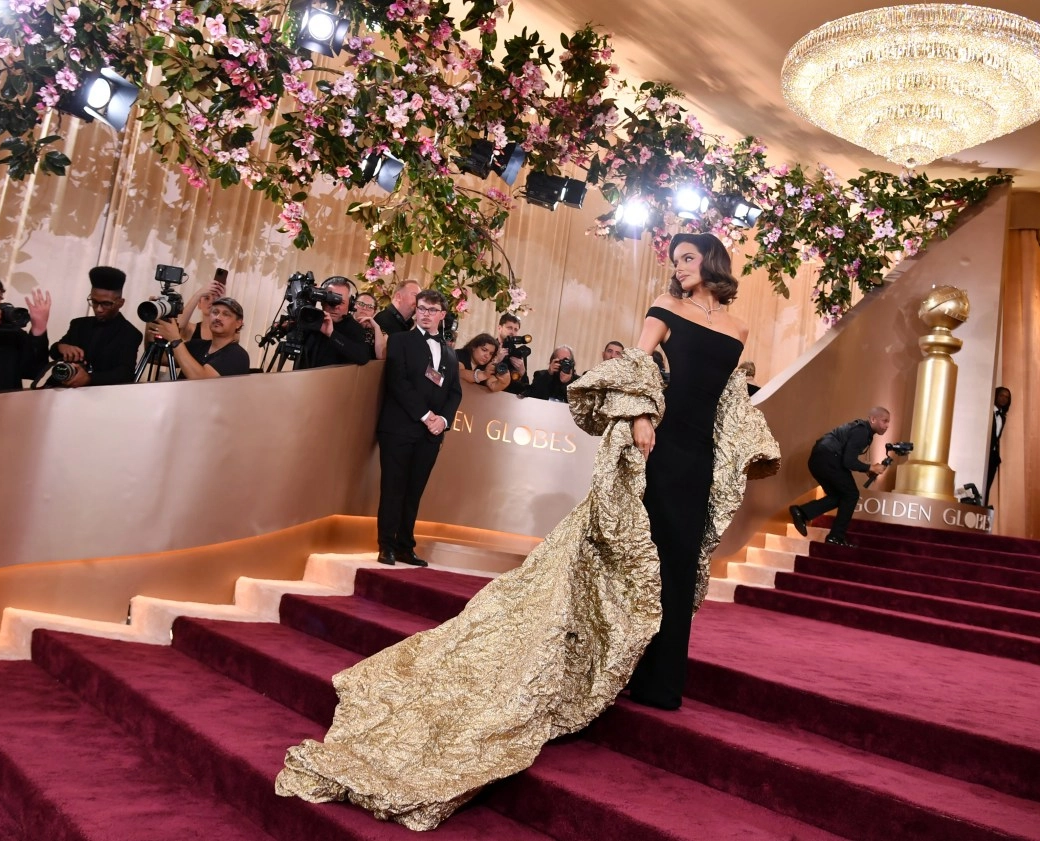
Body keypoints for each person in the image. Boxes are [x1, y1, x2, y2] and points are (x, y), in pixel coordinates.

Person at [276, 233, 779, 829]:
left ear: (712, 263)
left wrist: (744, 450)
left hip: (699, 456)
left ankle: (660, 681)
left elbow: (727, 401)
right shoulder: (663, 311)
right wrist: (642, 415)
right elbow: (637, 366)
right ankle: (601, 662)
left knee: (675, 560)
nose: (680, 268)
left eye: (690, 259)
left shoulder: (741, 327)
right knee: (631, 555)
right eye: (676, 260)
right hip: (657, 443)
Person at [374, 289, 462, 567]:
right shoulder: (400, 341)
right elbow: (398, 383)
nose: (425, 314)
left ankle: (405, 546)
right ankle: (386, 545)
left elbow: (455, 393)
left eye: (431, 310)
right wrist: (426, 416)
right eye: (421, 308)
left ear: (442, 315)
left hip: (430, 435)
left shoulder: (449, 352)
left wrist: (443, 421)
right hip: (399, 429)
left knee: (414, 491)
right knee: (393, 488)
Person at [789, 407, 891, 546]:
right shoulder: (862, 431)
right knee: (851, 494)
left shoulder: (861, 430)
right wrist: (870, 467)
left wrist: (866, 469)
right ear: (873, 419)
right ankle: (836, 536)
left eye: (888, 422)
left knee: (838, 496)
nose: (887, 425)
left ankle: (802, 512)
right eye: (884, 421)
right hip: (828, 458)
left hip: (818, 460)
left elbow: (847, 458)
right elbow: (848, 461)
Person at [48, 266, 142, 387]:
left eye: (106, 304)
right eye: (94, 302)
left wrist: (89, 379)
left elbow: (125, 374)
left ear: (120, 303)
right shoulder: (78, 324)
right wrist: (62, 346)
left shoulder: (130, 333)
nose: (98, 309)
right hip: (63, 392)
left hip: (100, 398)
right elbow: (54, 352)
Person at [152, 296, 249, 378]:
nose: (218, 317)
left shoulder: (238, 355)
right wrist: (153, 316)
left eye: (226, 314)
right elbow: (156, 357)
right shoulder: (197, 345)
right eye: (215, 312)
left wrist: (175, 340)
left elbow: (202, 379)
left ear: (238, 323)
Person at [297, 277, 375, 369]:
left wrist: (332, 334)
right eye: (331, 300)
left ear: (350, 304)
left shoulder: (355, 328)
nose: (335, 307)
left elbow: (362, 358)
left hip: (332, 382)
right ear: (322, 301)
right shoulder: (311, 319)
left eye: (341, 302)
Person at [985, 386, 1010, 507]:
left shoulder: (1003, 417)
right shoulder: (988, 412)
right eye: (1001, 395)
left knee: (988, 485)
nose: (1004, 399)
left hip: (993, 458)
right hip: (983, 455)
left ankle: (983, 506)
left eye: (1007, 397)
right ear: (995, 396)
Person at [495, 313, 529, 394]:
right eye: (509, 328)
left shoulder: (518, 353)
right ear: (499, 328)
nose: (512, 332)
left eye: (515, 329)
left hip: (510, 399)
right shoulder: (490, 347)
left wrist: (523, 372)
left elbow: (525, 387)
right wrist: (496, 360)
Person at [352, 291, 387, 360]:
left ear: (374, 312)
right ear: (353, 305)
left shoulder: (379, 332)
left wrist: (376, 328)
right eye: (361, 304)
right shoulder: (344, 324)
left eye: (370, 306)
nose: (364, 308)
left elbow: (381, 356)